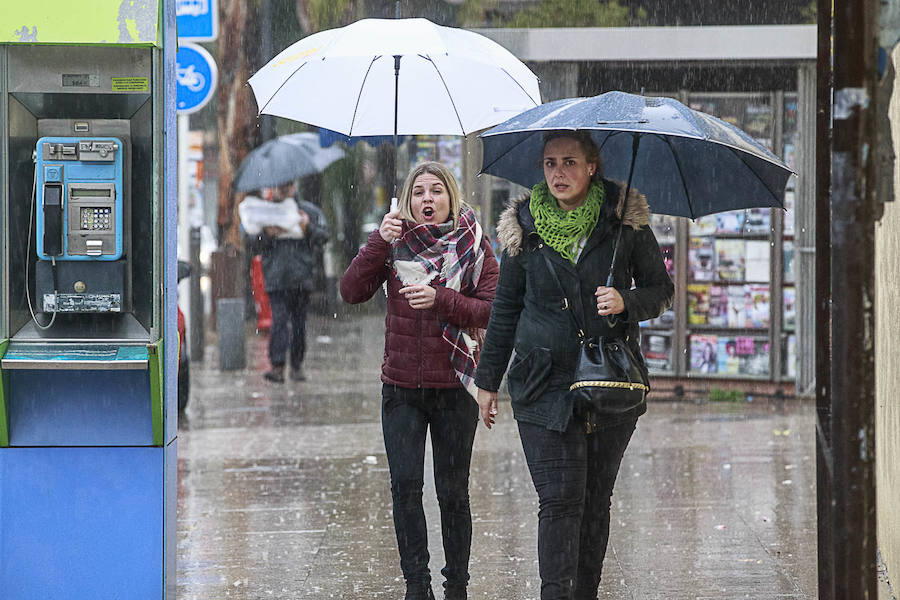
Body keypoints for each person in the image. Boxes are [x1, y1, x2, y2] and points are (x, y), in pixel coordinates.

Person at [474, 131, 674, 600]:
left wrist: (625, 300)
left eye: (569, 162)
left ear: (592, 167)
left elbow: (660, 290)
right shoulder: (522, 228)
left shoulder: (626, 222)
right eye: (549, 163)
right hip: (542, 384)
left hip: (609, 382)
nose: (558, 173)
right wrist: (487, 381)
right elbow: (505, 310)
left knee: (594, 503)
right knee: (560, 500)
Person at [340, 162, 499, 600]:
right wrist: (379, 240)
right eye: (418, 193)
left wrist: (442, 299)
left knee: (453, 492)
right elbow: (350, 291)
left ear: (452, 197)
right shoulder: (394, 243)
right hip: (402, 388)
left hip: (454, 387)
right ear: (407, 201)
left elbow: (492, 310)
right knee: (405, 487)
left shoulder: (474, 243)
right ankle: (417, 586)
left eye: (436, 191)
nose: (427, 199)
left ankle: (457, 587)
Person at [241, 181, 329, 383]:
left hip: (301, 277)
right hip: (276, 278)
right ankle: (278, 365)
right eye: (281, 186)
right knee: (279, 321)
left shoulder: (307, 211)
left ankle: (296, 365)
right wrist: (268, 235)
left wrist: (307, 228)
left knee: (299, 325)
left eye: (288, 185)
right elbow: (251, 242)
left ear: (295, 185)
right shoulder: (265, 212)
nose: (285, 189)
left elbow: (323, 237)